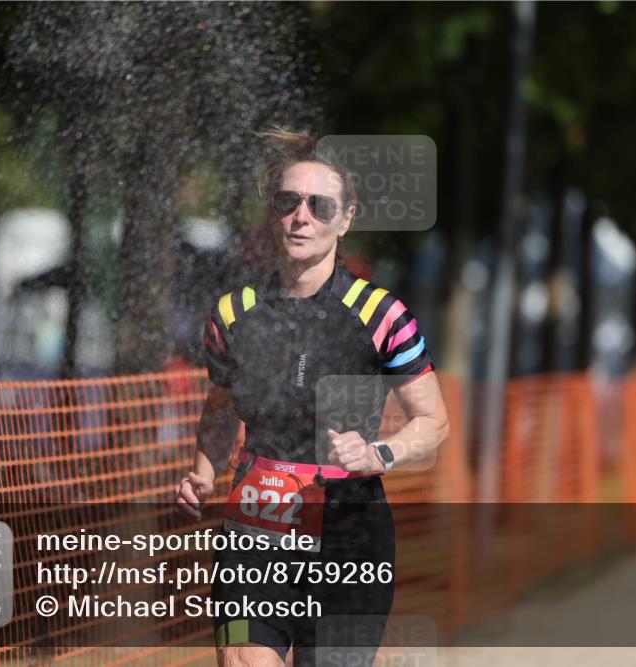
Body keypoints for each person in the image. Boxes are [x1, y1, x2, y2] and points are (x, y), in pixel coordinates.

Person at [176, 129, 450, 667]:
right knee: (242, 660)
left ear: (346, 219)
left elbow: (433, 420)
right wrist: (203, 472)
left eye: (320, 206)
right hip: (256, 532)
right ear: (273, 212)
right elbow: (220, 410)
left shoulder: (382, 315)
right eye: (288, 202)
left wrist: (379, 453)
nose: (301, 217)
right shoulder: (232, 315)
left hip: (350, 538)